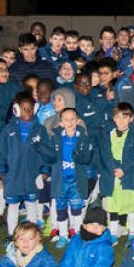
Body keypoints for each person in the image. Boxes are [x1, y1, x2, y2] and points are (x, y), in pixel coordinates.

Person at [33, 107, 95, 249]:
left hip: (76, 181)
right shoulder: (55, 138)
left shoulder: (84, 138)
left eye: (73, 118)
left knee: (76, 209)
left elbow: (87, 159)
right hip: (60, 181)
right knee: (60, 209)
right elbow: (49, 157)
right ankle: (62, 235)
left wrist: (82, 156)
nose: (70, 122)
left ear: (78, 121)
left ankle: (78, 234)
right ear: (60, 123)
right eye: (66, 119)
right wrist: (39, 146)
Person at [0, 92, 45, 234]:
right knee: (13, 206)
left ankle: (32, 235)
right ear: (16, 110)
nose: (28, 112)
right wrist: (2, 171)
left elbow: (47, 153)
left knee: (31, 206)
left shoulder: (40, 130)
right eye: (24, 109)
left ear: (35, 109)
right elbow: (0, 152)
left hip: (32, 176)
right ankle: (12, 235)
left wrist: (44, 172)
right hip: (13, 176)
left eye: (30, 109)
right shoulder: (8, 130)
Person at [95, 104, 134, 239]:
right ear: (113, 119)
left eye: (125, 117)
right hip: (111, 177)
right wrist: (113, 168)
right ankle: (112, 233)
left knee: (131, 206)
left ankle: (133, 232)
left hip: (128, 176)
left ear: (131, 118)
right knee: (112, 206)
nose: (121, 121)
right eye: (118, 117)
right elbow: (105, 155)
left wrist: (124, 169)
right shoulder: (107, 135)